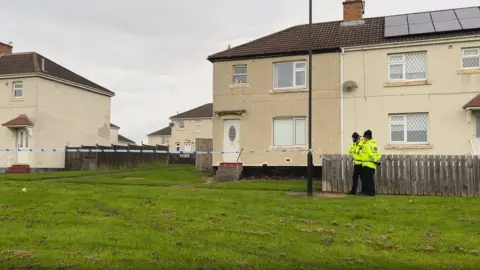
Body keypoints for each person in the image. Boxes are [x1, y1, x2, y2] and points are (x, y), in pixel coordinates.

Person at [360, 130, 381, 196]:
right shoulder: (374, 145)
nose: (363, 139)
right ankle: (370, 192)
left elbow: (370, 154)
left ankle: (369, 193)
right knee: (370, 179)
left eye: (364, 137)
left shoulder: (366, 145)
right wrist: (377, 160)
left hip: (367, 163)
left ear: (366, 137)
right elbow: (378, 154)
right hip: (373, 165)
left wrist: (374, 160)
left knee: (367, 180)